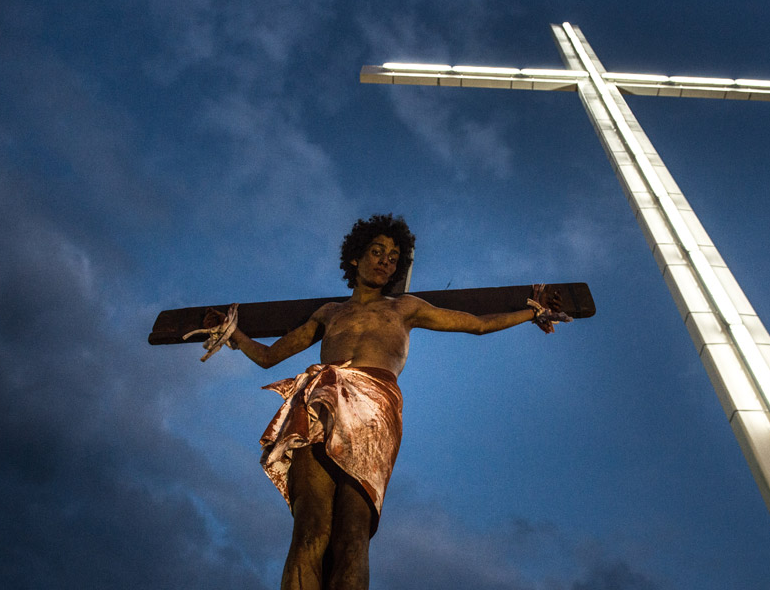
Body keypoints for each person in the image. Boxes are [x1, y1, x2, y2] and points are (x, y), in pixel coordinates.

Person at [203, 213, 566, 590]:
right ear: (355, 259)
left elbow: (475, 323)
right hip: (320, 403)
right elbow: (268, 357)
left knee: (352, 537)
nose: (385, 261)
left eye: (393, 258)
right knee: (310, 529)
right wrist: (233, 333)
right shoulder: (328, 313)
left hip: (374, 410)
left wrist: (532, 312)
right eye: (377, 252)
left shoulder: (404, 308)